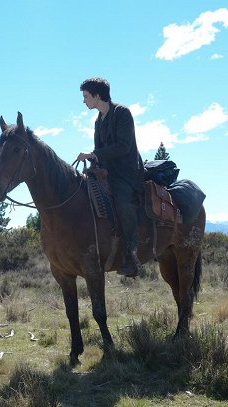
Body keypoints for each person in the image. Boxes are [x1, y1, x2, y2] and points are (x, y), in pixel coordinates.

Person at [76, 77, 144, 277]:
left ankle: (131, 254)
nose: (84, 101)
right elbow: (100, 150)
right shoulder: (98, 121)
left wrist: (94, 154)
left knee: (123, 202)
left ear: (97, 96)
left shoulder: (122, 113)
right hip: (106, 172)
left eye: (86, 96)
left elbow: (124, 146)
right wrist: (94, 162)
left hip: (126, 173)